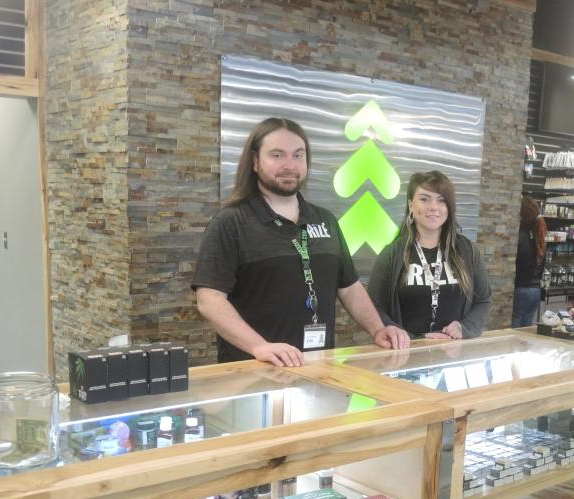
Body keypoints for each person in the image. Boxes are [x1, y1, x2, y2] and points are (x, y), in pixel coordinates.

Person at [191, 117, 410, 367]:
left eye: (298, 155)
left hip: (318, 369)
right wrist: (259, 346)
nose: (289, 165)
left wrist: (378, 329)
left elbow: (349, 288)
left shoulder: (325, 220)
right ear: (254, 161)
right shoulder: (230, 223)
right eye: (277, 155)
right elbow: (209, 300)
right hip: (255, 371)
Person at [368, 171, 491, 339]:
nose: (433, 207)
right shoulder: (392, 254)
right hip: (407, 353)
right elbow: (373, 306)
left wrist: (464, 328)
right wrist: (402, 335)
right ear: (411, 205)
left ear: (449, 207)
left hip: (455, 353)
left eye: (441, 200)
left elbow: (483, 300)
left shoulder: (467, 251)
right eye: (424, 199)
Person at [511, 195, 547, 327]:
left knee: (512, 335)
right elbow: (542, 268)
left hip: (520, 290)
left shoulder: (519, 236)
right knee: (524, 335)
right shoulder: (539, 238)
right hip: (535, 291)